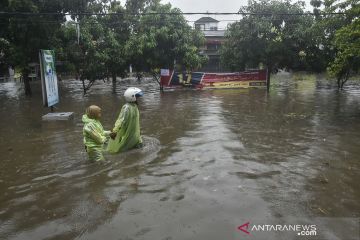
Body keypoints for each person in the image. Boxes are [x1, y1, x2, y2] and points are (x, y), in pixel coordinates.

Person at [107, 87, 143, 153]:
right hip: (128, 132)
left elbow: (136, 121)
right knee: (125, 148)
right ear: (132, 97)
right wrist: (115, 131)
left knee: (136, 148)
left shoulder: (134, 106)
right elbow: (121, 120)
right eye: (137, 96)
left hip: (134, 132)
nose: (138, 98)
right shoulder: (127, 107)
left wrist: (139, 130)